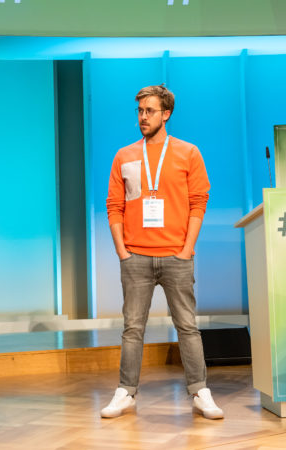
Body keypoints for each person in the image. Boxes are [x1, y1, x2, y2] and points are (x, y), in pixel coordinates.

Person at [101, 84, 223, 420]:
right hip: (135, 257)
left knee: (187, 326)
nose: (143, 117)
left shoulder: (188, 152)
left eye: (150, 111)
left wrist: (187, 249)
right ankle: (126, 392)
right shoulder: (124, 155)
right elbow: (114, 205)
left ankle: (200, 391)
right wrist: (122, 251)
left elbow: (199, 202)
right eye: (140, 111)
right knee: (132, 328)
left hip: (176, 256)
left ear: (166, 114)